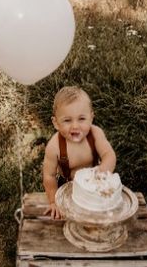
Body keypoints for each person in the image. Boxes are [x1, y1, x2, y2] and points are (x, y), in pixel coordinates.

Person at [42, 86, 117, 220]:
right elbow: (49, 176)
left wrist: (102, 171)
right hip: (67, 187)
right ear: (56, 123)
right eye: (67, 120)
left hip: (94, 183)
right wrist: (53, 201)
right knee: (68, 219)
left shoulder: (95, 134)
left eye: (81, 119)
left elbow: (109, 155)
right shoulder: (54, 146)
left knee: (100, 217)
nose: (75, 126)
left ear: (91, 117)